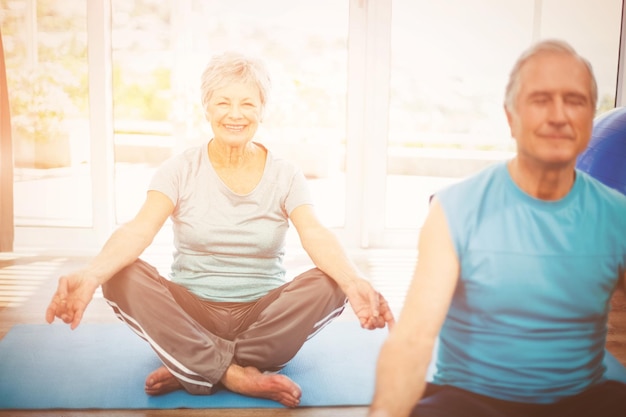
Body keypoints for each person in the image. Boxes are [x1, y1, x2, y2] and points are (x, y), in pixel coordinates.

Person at [45, 51, 394, 408]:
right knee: (120, 274)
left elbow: (315, 233)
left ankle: (192, 365)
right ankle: (232, 371)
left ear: (262, 109)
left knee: (330, 281)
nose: (235, 114)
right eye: (223, 102)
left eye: (247, 103)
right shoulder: (179, 169)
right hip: (191, 313)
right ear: (206, 108)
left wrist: (353, 281)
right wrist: (90, 275)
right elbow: (138, 229)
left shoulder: (285, 174)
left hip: (262, 316)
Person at [369, 39, 626, 417]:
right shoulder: (455, 208)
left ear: (592, 117)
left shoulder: (617, 214)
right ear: (511, 117)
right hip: (470, 399)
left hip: (582, 397)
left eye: (574, 100)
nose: (558, 115)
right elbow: (413, 340)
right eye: (540, 100)